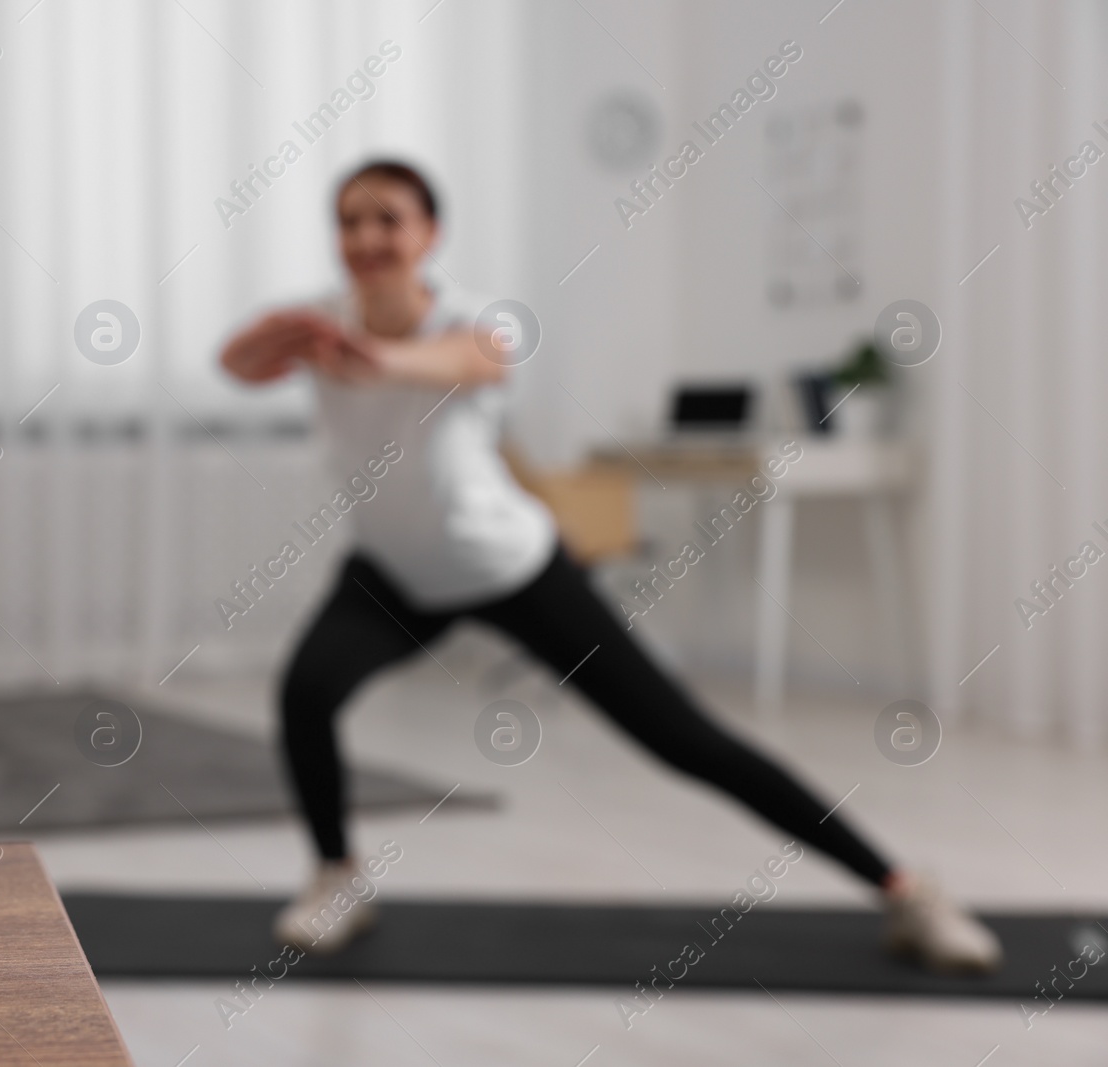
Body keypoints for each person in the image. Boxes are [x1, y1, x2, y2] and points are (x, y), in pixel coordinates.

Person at [219, 160, 1001, 975]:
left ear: (429, 235)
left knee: (684, 739)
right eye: (351, 220)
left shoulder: (472, 316)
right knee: (305, 692)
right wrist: (269, 339)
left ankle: (906, 888)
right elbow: (239, 365)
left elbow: (477, 361)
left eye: (388, 219)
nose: (368, 237)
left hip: (514, 570)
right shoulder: (323, 318)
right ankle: (338, 878)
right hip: (391, 573)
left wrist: (372, 361)